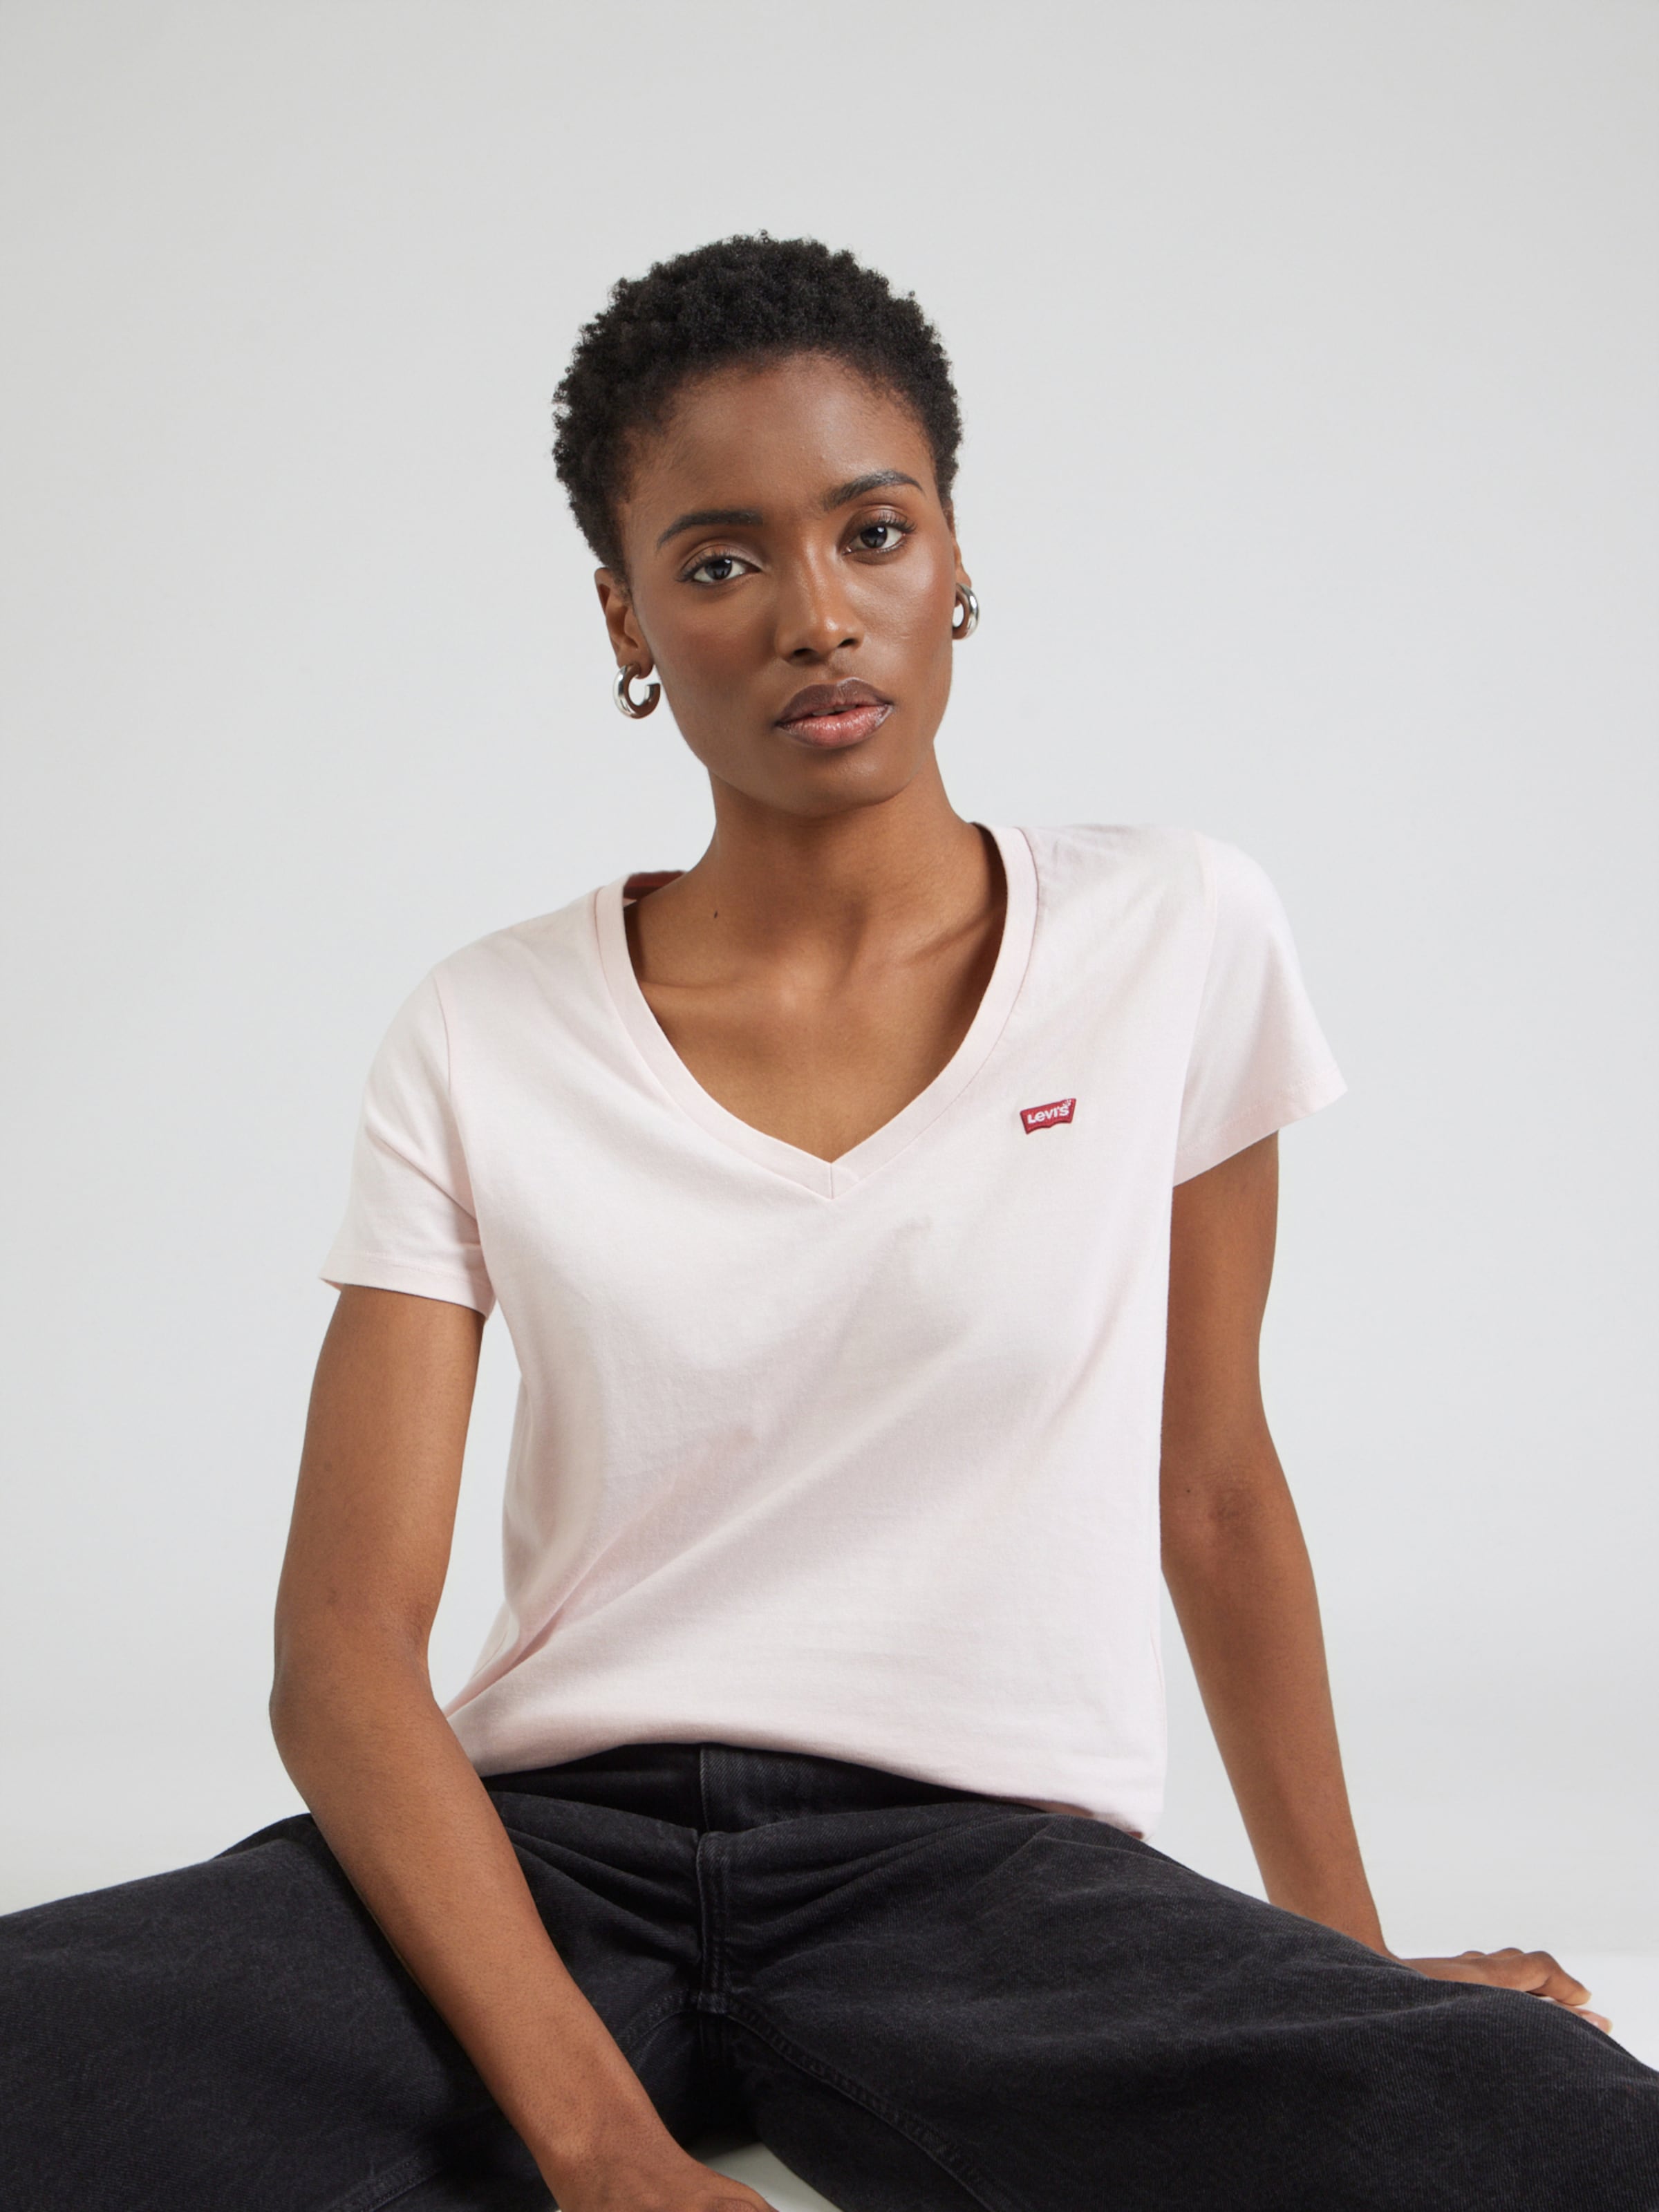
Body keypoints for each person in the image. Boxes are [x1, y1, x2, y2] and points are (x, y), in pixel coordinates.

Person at [1, 234, 1654, 2212]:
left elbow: (1210, 1485)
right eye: (719, 563)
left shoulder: (1173, 932)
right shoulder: (484, 1028)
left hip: (984, 1878)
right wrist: (602, 2146)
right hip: (547, 1856)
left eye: (874, 532)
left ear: (954, 555)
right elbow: (343, 1644)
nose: (816, 616)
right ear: (624, 617)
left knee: (1551, 2130)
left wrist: (1345, 1972)